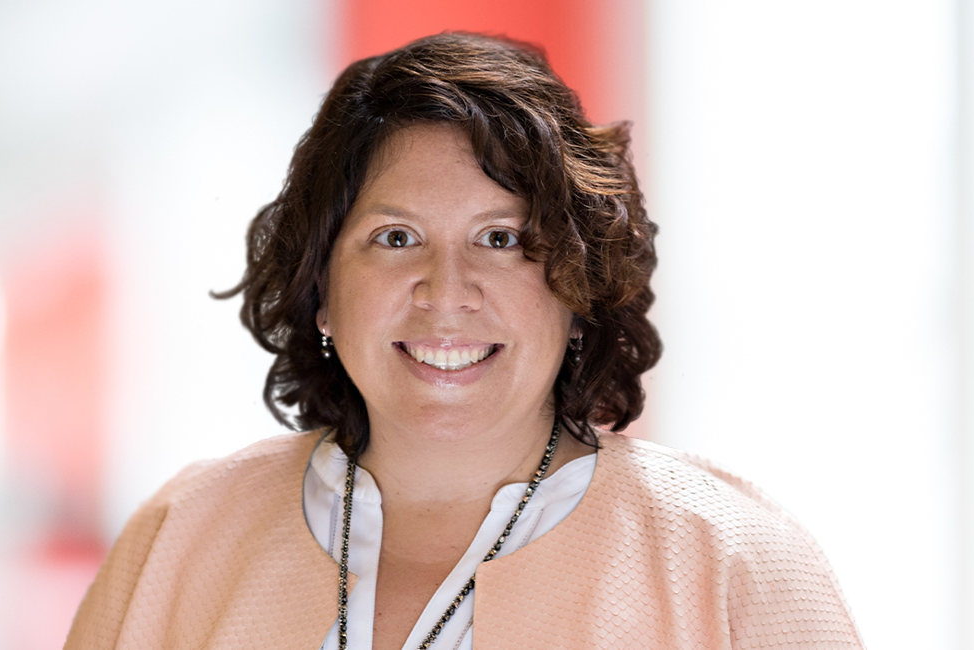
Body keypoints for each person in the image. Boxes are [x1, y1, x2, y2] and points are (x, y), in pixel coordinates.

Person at [64, 32, 863, 650]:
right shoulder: (180, 535)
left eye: (504, 239)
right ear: (320, 289)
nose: (447, 293)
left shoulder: (730, 558)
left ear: (579, 288)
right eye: (397, 237)